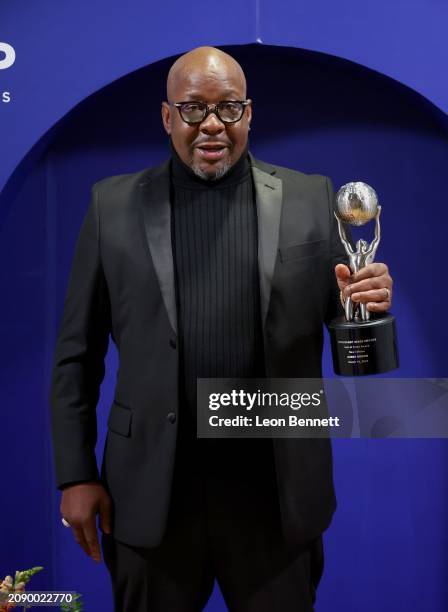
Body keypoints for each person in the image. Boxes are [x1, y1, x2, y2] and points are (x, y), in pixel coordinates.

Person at [49, 46, 393, 611]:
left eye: (229, 109)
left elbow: (360, 360)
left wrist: (371, 309)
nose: (212, 124)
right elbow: (75, 356)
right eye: (192, 109)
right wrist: (75, 474)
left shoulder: (312, 199)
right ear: (167, 117)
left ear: (249, 114)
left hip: (275, 502)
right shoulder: (110, 206)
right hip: (151, 497)